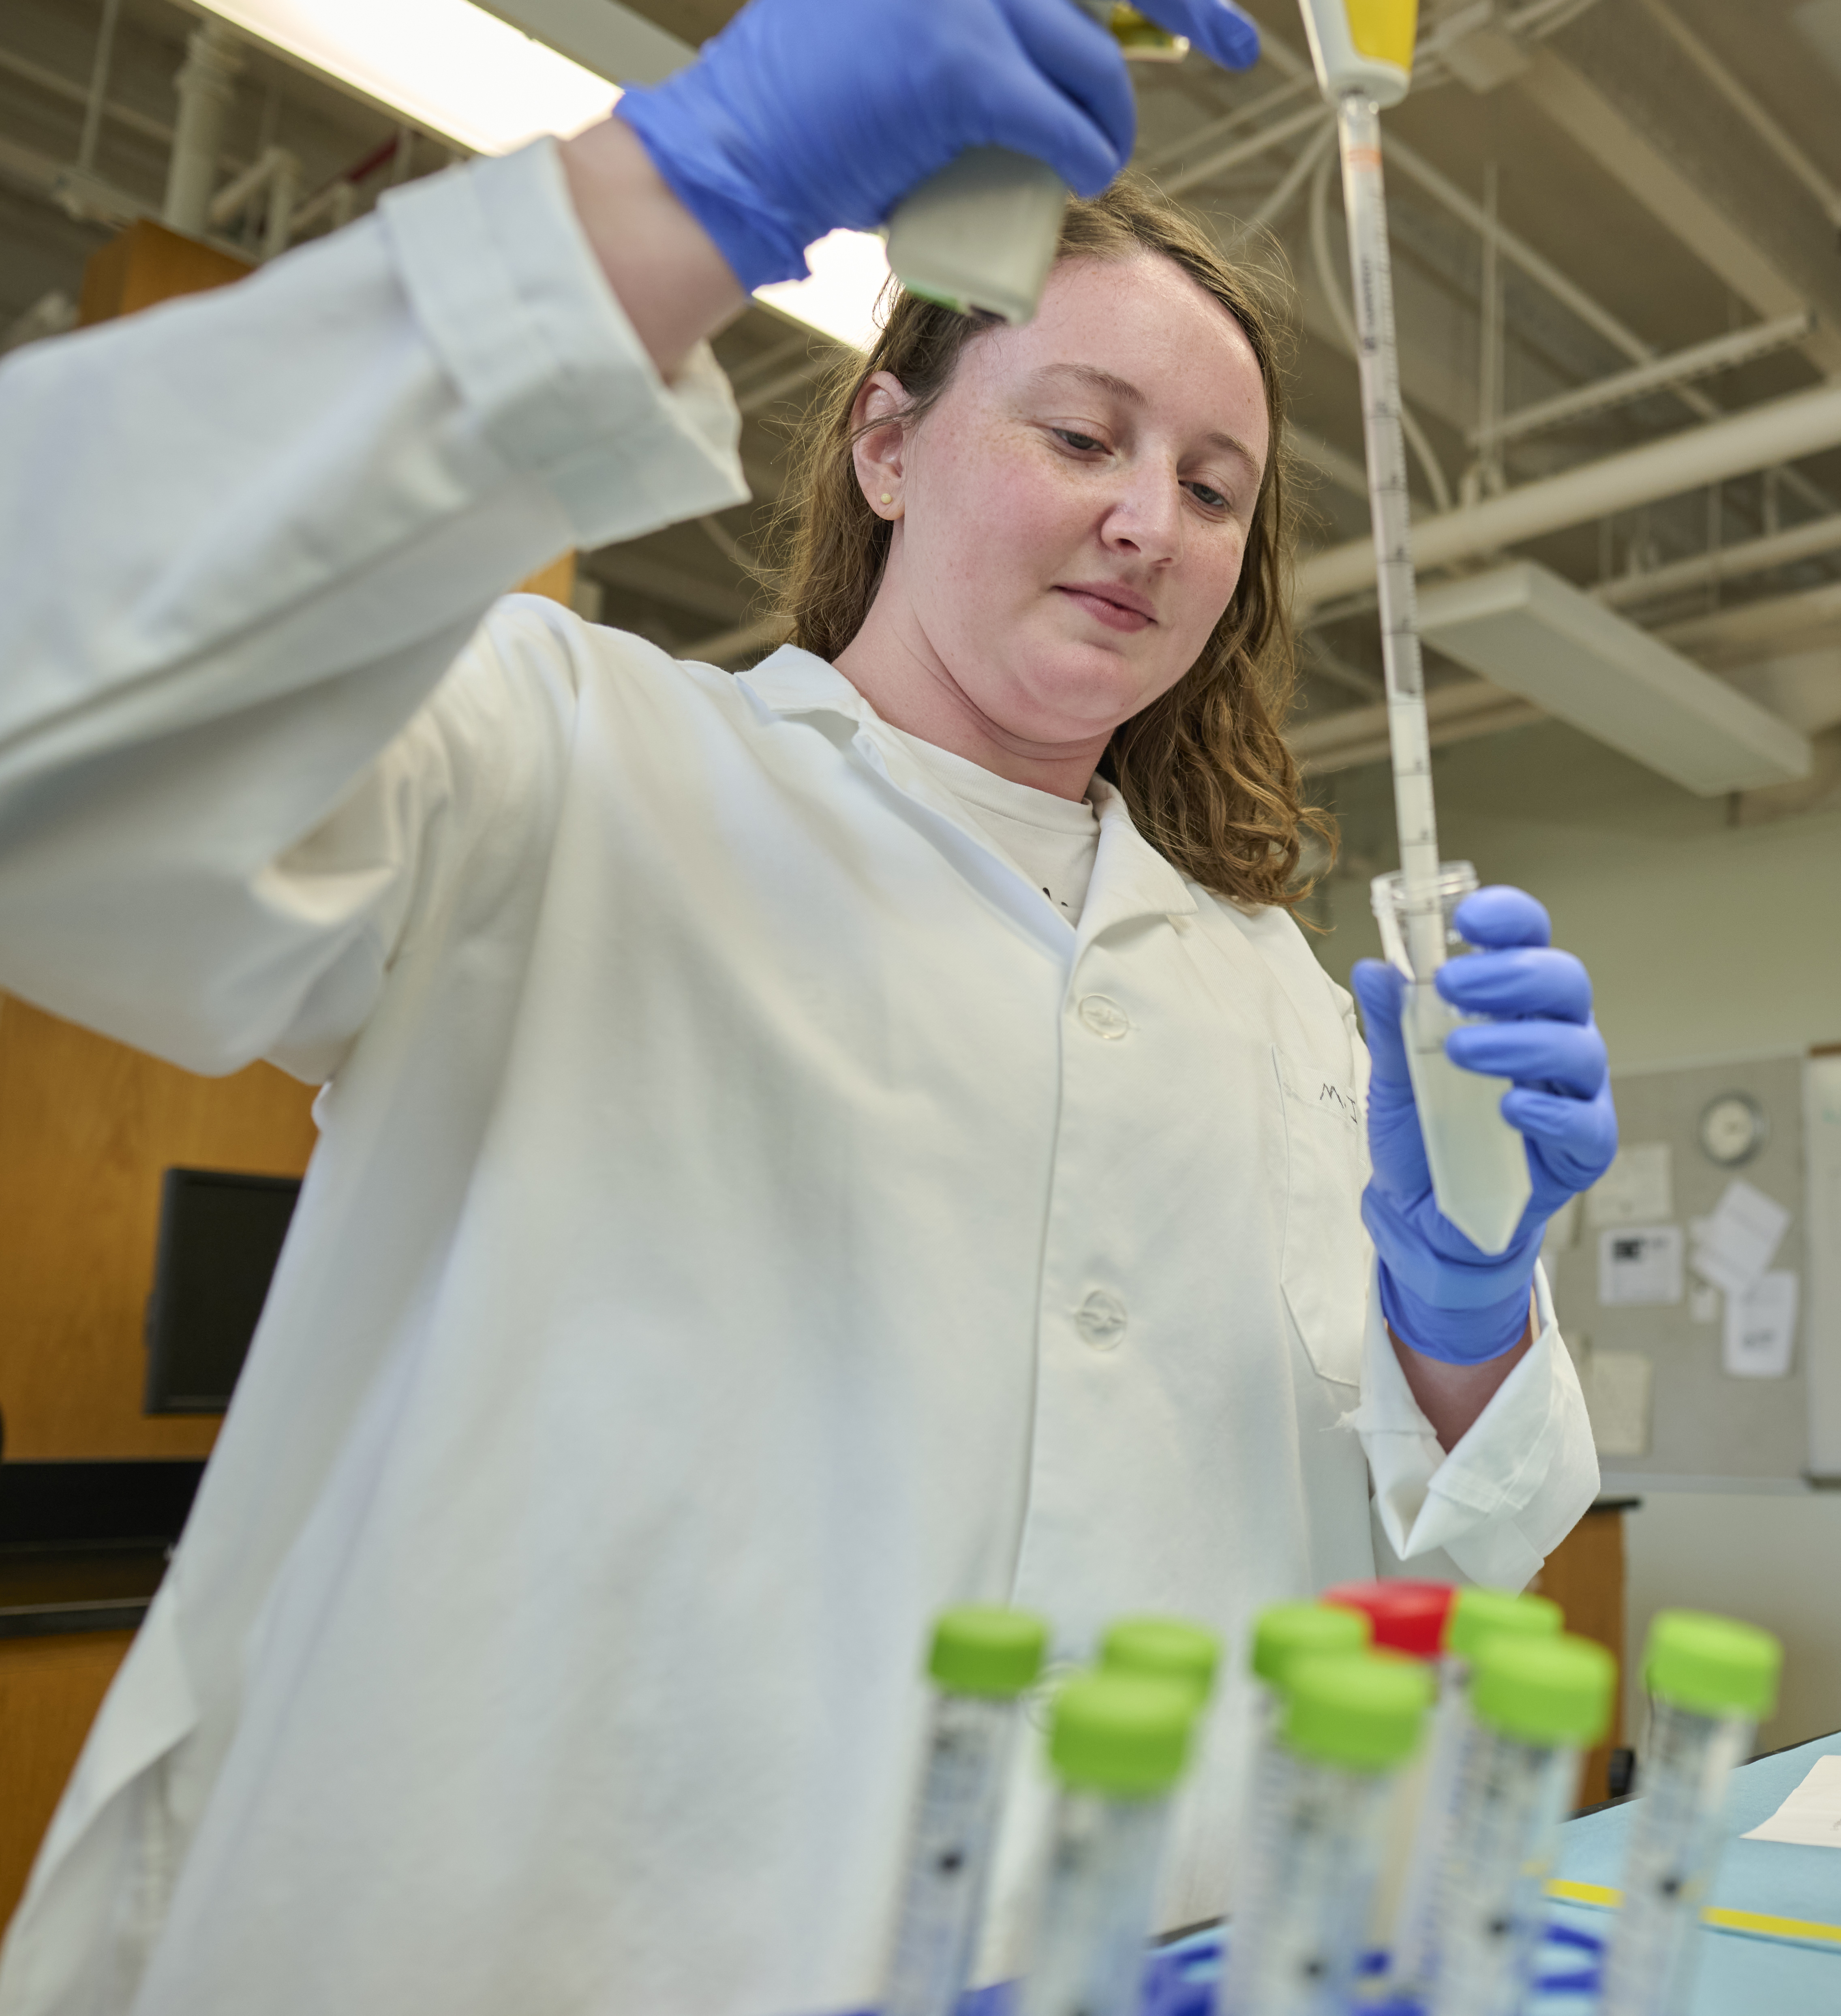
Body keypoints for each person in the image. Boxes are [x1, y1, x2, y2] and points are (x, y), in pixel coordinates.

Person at [0, 2, 1612, 2010]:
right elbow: (43, 742)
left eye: (1216, 487)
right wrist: (667, 194)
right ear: (887, 440)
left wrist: (1461, 1321)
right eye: (1082, 433)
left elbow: (1439, 1558)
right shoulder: (565, 761)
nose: (1150, 521)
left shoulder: (1281, 998)